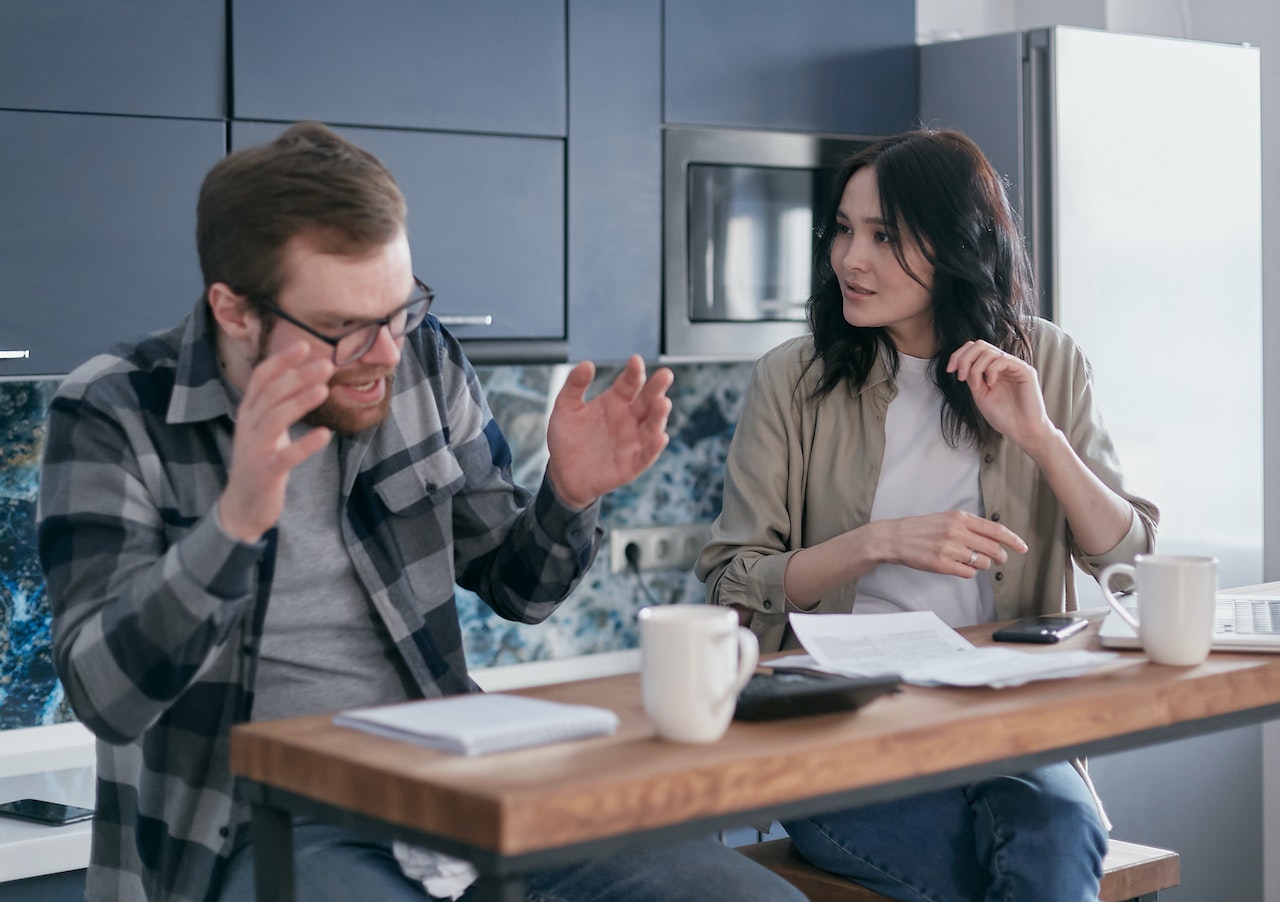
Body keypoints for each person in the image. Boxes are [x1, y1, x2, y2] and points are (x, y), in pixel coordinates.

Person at [37, 122, 807, 902]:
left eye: (400, 310)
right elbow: (108, 698)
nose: (386, 354)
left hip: (451, 781)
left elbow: (521, 592)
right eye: (344, 328)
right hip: (254, 818)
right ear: (234, 311)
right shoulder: (115, 409)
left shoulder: (423, 358)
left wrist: (570, 495)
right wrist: (233, 523)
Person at [696, 128, 1160, 901]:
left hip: (1004, 720)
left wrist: (1041, 439)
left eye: (884, 236)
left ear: (955, 246)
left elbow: (1132, 562)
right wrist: (876, 544)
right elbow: (730, 580)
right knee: (1008, 876)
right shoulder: (791, 379)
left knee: (1063, 831)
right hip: (843, 726)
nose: (851, 258)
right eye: (843, 230)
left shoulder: (1045, 361)